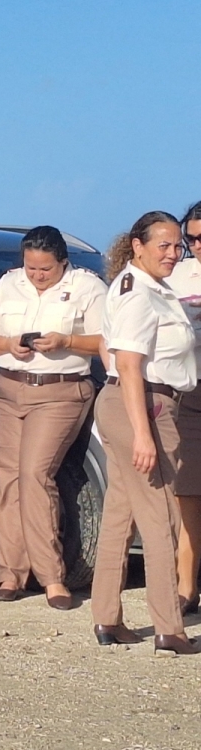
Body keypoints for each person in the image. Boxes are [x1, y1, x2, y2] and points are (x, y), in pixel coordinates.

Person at [0, 226, 105, 609]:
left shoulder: (88, 287)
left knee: (35, 474)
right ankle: (10, 574)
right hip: (9, 387)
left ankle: (52, 579)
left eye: (45, 269)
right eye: (31, 268)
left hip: (59, 391)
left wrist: (66, 341)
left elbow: (106, 341)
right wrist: (8, 344)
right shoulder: (10, 284)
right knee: (8, 476)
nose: (37, 275)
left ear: (63, 262)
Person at [91, 211, 197, 655]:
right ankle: (168, 628)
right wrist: (143, 434)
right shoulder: (140, 294)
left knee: (121, 512)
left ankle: (107, 617)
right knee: (160, 518)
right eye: (164, 246)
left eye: (178, 246)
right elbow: (130, 365)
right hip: (146, 404)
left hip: (132, 401)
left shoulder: (145, 287)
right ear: (138, 245)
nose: (173, 253)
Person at [165, 200, 201, 614]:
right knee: (187, 492)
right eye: (189, 238)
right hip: (190, 392)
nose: (193, 246)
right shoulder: (178, 274)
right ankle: (185, 588)